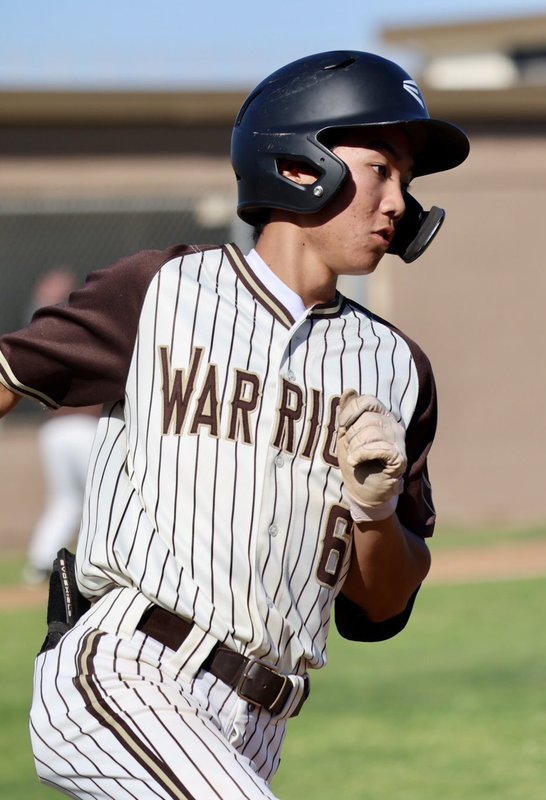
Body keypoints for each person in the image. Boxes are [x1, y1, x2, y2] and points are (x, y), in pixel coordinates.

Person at [1, 50, 469, 798]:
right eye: (381, 169)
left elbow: (383, 606)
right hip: (126, 672)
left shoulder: (396, 369)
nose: (397, 203)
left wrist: (375, 513)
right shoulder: (163, 291)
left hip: (258, 724)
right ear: (297, 162)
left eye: (405, 183)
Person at [21, 269, 101, 585]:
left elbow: (37, 328)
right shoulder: (89, 334)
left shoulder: (49, 335)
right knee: (100, 496)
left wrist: (46, 299)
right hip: (83, 429)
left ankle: (41, 563)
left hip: (53, 432)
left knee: (66, 501)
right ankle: (100, 563)